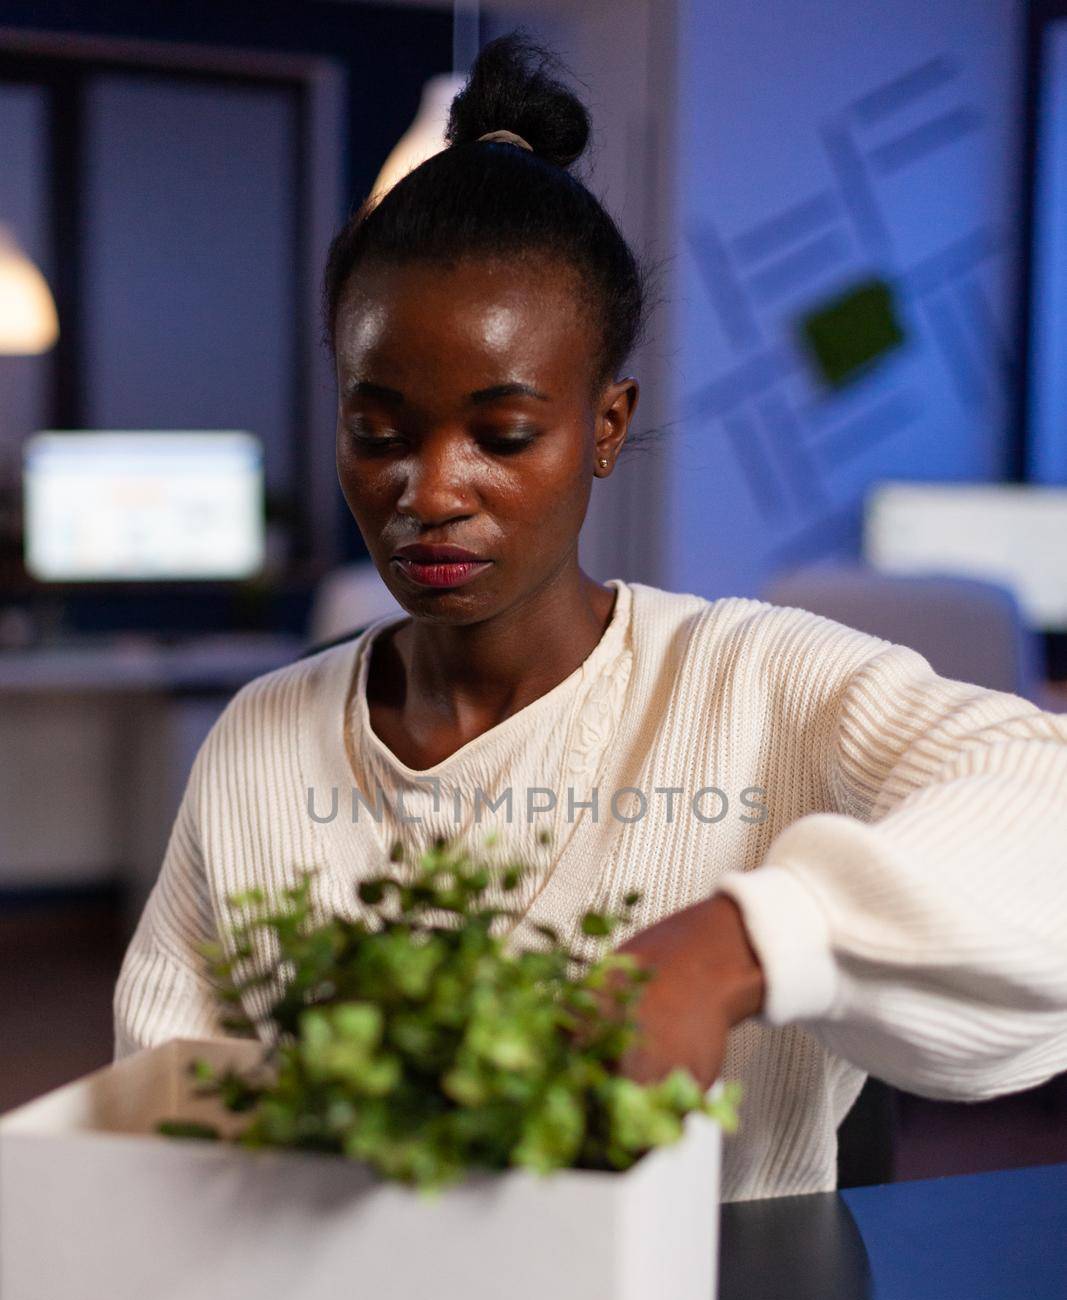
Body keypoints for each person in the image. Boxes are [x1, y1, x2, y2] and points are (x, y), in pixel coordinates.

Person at [113, 32, 1067, 1202]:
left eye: (503, 435)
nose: (430, 490)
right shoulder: (258, 745)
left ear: (602, 427)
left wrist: (732, 948)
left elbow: (1044, 811)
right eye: (379, 431)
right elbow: (157, 1131)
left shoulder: (756, 688)